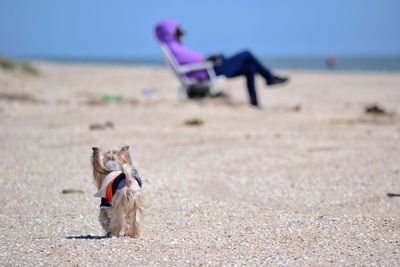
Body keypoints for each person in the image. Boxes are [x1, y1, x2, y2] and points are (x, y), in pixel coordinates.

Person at [155, 19, 288, 107]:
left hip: (208, 68)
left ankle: (255, 101)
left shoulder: (175, 47)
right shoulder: (173, 48)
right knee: (246, 54)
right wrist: (208, 62)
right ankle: (269, 78)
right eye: (178, 31)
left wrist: (209, 59)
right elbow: (188, 65)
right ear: (170, 32)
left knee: (249, 66)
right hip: (208, 72)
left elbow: (191, 61)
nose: (181, 33)